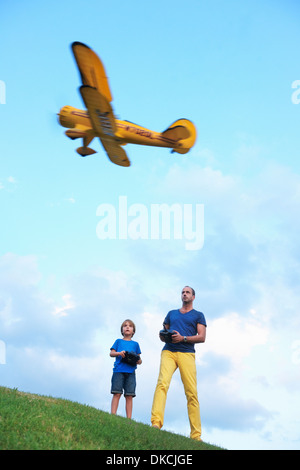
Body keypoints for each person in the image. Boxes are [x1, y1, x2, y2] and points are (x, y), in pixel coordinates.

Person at [151, 286, 206, 441]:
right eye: (183, 292)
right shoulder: (171, 313)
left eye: (188, 292)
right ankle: (156, 422)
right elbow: (164, 332)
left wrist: (184, 338)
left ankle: (196, 435)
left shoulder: (198, 315)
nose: (184, 294)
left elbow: (202, 337)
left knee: (191, 392)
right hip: (168, 351)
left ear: (193, 297)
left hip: (187, 353)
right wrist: (163, 336)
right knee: (162, 384)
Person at [110, 319, 142, 419]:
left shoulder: (136, 344)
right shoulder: (118, 341)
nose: (127, 327)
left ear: (133, 331)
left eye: (130, 326)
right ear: (122, 330)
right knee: (117, 393)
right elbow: (111, 353)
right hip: (118, 371)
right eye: (125, 326)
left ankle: (129, 419)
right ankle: (113, 415)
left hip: (131, 372)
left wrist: (137, 360)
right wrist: (119, 353)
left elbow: (139, 359)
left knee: (129, 395)